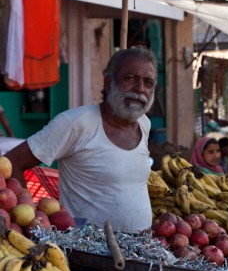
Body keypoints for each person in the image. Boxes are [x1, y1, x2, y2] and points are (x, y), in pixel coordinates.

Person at [5, 47, 157, 233]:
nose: (140, 89)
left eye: (148, 83)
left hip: (140, 250)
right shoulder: (75, 123)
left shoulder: (144, 124)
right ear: (108, 82)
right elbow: (14, 162)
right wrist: (28, 215)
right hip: (88, 252)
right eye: (130, 78)